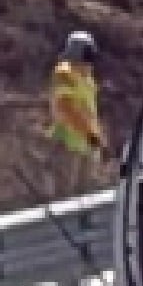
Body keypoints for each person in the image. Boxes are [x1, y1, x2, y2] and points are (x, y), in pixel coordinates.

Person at [48, 31, 105, 197]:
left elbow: (90, 111)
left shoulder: (87, 77)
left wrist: (97, 137)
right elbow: (66, 108)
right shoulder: (65, 73)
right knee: (64, 198)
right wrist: (89, 133)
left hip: (86, 145)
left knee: (85, 197)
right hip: (68, 144)